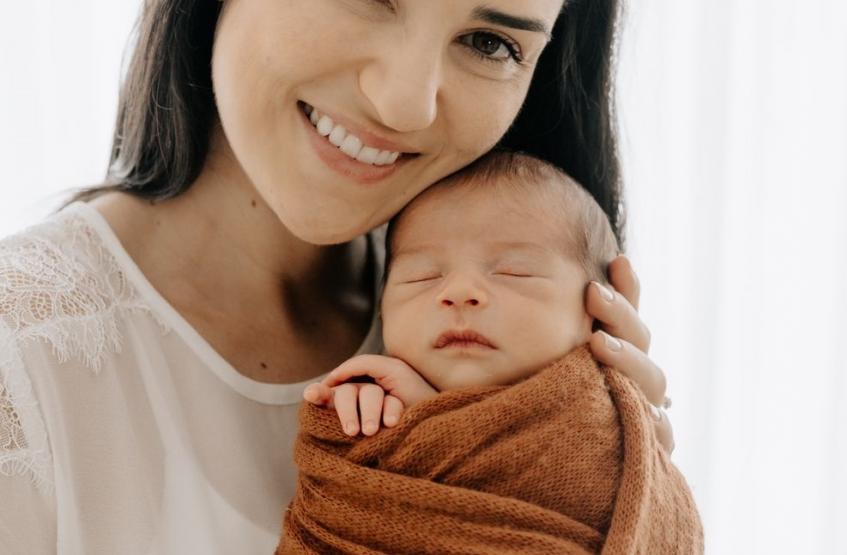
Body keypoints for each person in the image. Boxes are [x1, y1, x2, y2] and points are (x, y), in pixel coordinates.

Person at [0, 1, 673, 553]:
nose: (406, 102)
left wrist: (618, 480)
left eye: (490, 43)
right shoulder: (22, 360)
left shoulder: (513, 344)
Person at [280, 151, 701, 554]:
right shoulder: (374, 408)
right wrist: (383, 428)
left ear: (600, 310)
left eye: (513, 272)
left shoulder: (604, 428)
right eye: (421, 277)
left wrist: (442, 431)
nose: (459, 292)